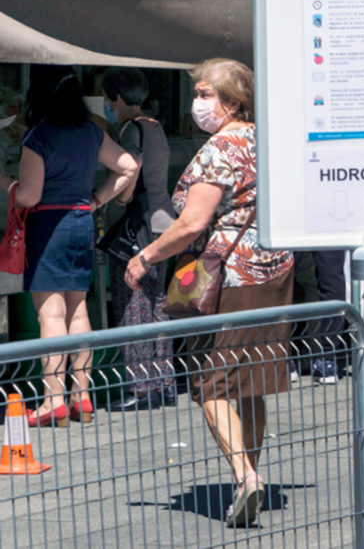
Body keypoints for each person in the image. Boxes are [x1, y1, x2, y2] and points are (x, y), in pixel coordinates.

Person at [124, 58, 294, 527]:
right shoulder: (267, 138)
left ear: (232, 101)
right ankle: (251, 472)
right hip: (274, 267)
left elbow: (193, 222)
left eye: (205, 94)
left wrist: (146, 257)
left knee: (210, 383)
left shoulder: (220, 148)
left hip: (228, 275)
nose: (197, 104)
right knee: (253, 382)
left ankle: (245, 476)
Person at [0, 71, 139, 427]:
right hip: (81, 222)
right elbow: (128, 166)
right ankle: (83, 397)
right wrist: (98, 200)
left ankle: (52, 401)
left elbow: (29, 195)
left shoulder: (39, 136)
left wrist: (4, 182)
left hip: (48, 225)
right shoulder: (91, 132)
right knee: (78, 310)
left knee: (50, 313)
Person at [100, 68, 178, 411]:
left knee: (132, 303)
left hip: (141, 224)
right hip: (164, 222)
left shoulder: (130, 128)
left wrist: (120, 197)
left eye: (108, 99)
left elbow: (130, 164)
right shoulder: (155, 125)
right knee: (157, 304)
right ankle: (163, 383)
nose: (108, 106)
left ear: (117, 99)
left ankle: (140, 389)